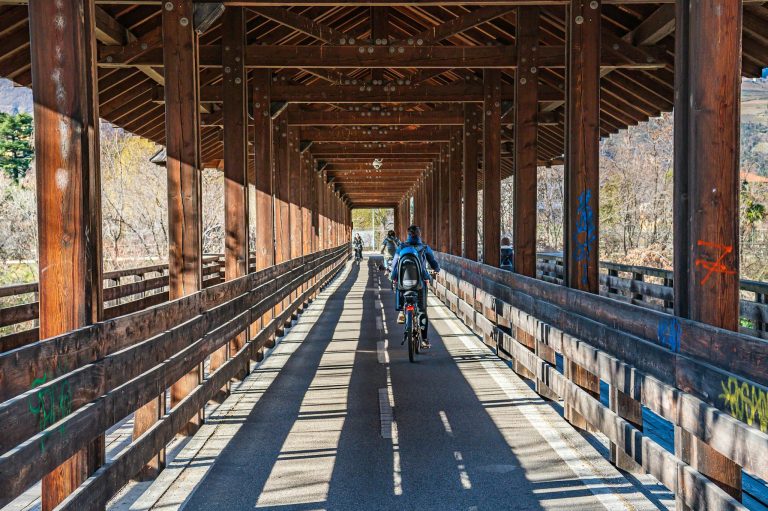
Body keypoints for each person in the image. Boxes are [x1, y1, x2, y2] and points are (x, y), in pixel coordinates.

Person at [390, 225, 440, 348]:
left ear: (407, 235)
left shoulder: (401, 247)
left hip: (403, 285)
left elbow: (394, 264)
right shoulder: (424, 248)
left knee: (399, 287)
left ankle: (402, 311)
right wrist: (437, 269)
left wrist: (393, 277)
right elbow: (433, 263)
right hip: (420, 284)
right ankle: (424, 339)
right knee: (422, 311)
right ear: (419, 235)